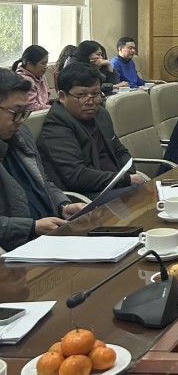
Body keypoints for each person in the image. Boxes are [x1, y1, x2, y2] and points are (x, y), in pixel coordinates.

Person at [0, 68, 85, 252]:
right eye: (15, 112)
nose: (21, 120)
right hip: (18, 251)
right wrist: (32, 227)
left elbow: (42, 181)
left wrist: (63, 205)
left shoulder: (20, 135)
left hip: (53, 237)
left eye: (25, 112)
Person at [37, 63, 145, 203]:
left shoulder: (101, 114)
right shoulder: (56, 126)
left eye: (95, 94)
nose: (91, 101)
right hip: (88, 197)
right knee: (146, 196)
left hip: (115, 185)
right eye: (82, 95)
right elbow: (77, 176)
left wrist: (129, 174)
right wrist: (126, 180)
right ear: (62, 96)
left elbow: (120, 151)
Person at [12, 44, 51, 111]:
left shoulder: (41, 76)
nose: (46, 67)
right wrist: (52, 108)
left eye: (46, 63)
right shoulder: (25, 80)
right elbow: (31, 107)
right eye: (43, 63)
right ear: (30, 64)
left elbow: (44, 100)